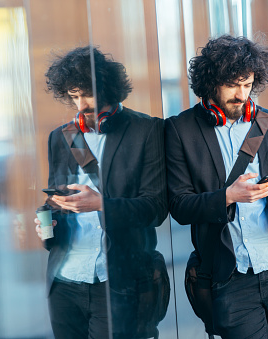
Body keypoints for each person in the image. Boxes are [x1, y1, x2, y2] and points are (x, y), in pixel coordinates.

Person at [165, 35, 268, 338]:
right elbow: (179, 205)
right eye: (232, 85)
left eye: (247, 85)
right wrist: (228, 196)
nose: (241, 94)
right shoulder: (181, 130)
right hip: (231, 279)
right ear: (210, 82)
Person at [35, 46, 168, 339]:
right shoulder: (61, 137)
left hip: (119, 281)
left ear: (107, 87)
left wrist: (101, 205)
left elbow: (156, 208)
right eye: (74, 96)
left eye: (87, 93)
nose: (81, 104)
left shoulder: (147, 131)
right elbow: (55, 198)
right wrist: (47, 219)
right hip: (65, 280)